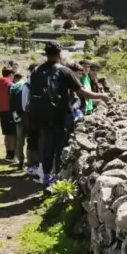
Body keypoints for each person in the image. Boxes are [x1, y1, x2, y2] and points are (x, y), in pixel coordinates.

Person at [28, 42, 108, 189]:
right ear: (59, 54)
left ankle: (45, 178)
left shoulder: (36, 71)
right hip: (60, 114)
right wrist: (101, 96)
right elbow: (81, 92)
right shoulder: (64, 71)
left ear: (46, 54)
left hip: (41, 115)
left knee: (46, 145)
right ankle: (57, 180)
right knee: (60, 147)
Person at [0, 65, 17, 161]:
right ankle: (12, 155)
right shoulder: (10, 84)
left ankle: (8, 154)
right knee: (13, 133)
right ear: (11, 74)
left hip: (1, 110)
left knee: (6, 133)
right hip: (10, 110)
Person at [9, 71, 27, 170]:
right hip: (28, 115)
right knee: (31, 139)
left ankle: (21, 161)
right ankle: (32, 162)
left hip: (18, 116)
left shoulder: (13, 87)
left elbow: (11, 103)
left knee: (20, 140)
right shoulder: (27, 85)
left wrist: (14, 115)